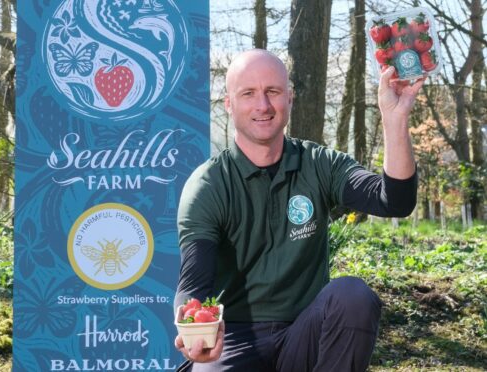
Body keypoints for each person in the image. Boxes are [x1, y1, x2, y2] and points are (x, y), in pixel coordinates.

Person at [173, 49, 423, 372]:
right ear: (229, 104)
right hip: (234, 339)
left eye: (273, 91)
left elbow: (395, 200)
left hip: (305, 332)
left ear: (289, 98)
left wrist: (395, 117)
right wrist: (195, 331)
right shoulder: (208, 185)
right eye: (248, 93)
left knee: (353, 296)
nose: (263, 105)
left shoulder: (319, 165)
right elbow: (194, 283)